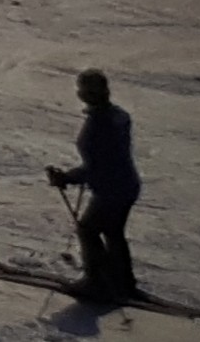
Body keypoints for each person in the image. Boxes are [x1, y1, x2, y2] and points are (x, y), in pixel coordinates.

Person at [47, 70, 142, 301]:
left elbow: (97, 167)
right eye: (82, 89)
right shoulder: (117, 115)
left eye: (88, 90)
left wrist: (66, 178)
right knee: (112, 231)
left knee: (87, 229)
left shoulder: (99, 125)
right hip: (126, 184)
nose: (84, 94)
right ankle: (121, 281)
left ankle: (97, 283)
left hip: (112, 189)